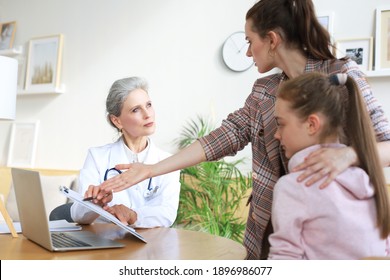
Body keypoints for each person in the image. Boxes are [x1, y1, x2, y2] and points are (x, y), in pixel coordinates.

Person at [93, 0, 390, 259]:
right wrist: (150, 169)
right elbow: (223, 137)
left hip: (334, 241)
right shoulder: (265, 91)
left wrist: (348, 156)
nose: (248, 52)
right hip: (270, 229)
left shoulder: (340, 76)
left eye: (250, 40)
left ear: (271, 40)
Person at [269, 72, 390, 259]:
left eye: (281, 124)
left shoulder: (294, 187)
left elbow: (285, 260)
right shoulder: (367, 178)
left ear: (312, 125)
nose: (277, 134)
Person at [70, 76, 181, 228]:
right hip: (106, 245)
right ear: (117, 121)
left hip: (150, 247)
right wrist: (95, 202)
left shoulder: (167, 162)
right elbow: (78, 215)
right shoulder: (97, 157)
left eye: (148, 105)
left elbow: (167, 213)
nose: (147, 114)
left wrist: (134, 215)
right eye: (136, 109)